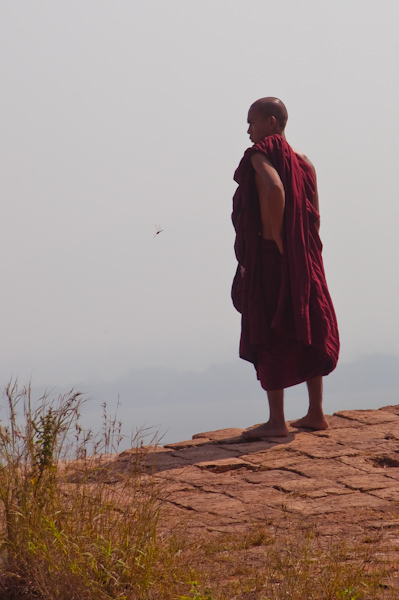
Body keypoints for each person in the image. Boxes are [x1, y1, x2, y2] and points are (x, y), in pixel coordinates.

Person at [231, 97, 340, 439]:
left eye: (253, 122)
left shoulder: (259, 157)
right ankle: (315, 413)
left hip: (271, 256)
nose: (248, 129)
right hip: (304, 256)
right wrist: (298, 248)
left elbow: (276, 186)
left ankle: (276, 421)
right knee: (305, 322)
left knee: (270, 329)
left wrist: (277, 239)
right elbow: (315, 218)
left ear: (272, 123)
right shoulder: (304, 162)